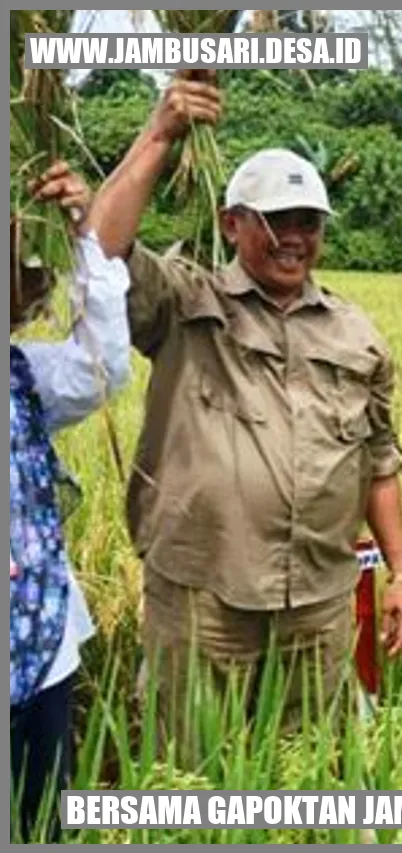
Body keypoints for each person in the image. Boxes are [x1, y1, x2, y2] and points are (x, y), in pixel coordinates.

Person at [84, 79, 402, 759]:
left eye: (308, 222)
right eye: (274, 220)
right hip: (204, 598)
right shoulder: (185, 302)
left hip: (317, 603)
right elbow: (101, 253)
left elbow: (379, 461)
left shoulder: (357, 334)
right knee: (190, 766)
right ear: (230, 223)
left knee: (304, 769)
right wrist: (160, 134)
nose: (293, 237)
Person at [10, 163, 131, 841]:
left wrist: (82, 235)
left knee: (40, 823)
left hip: (40, 647)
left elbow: (101, 365)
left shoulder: (24, 376)